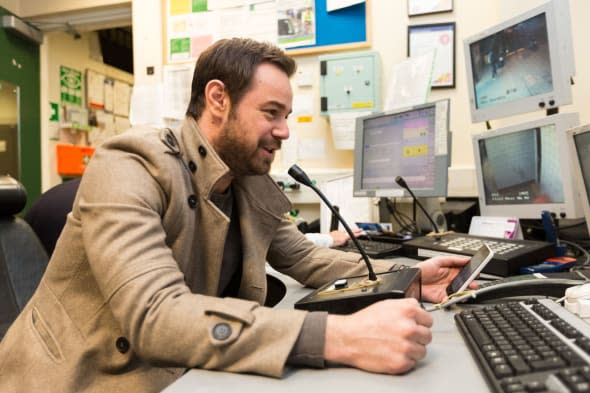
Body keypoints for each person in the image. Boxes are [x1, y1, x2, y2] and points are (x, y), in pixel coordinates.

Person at [0, 38, 470, 392]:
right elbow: (155, 315)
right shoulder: (130, 163)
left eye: (286, 114)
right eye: (271, 112)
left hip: (177, 371)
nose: (284, 130)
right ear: (218, 99)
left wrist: (410, 276)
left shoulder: (242, 177)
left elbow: (308, 259)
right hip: (79, 378)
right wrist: (338, 336)